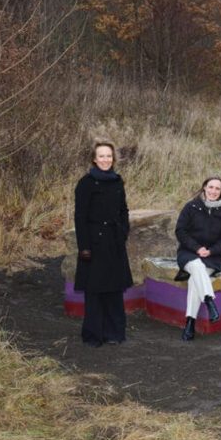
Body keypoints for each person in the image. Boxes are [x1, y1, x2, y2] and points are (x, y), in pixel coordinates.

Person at [73, 141, 133, 347]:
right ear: (94, 159)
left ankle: (114, 333)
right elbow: (79, 217)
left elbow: (124, 209)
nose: (106, 160)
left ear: (113, 158)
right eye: (102, 156)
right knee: (95, 290)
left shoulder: (118, 181)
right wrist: (84, 247)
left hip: (115, 241)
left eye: (109, 156)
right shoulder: (86, 183)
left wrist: (123, 230)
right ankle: (93, 336)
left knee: (115, 289)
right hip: (94, 243)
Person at [174, 176, 221, 341]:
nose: (213, 191)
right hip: (188, 253)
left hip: (211, 256)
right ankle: (209, 300)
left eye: (217, 188)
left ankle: (190, 322)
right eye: (211, 187)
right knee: (197, 268)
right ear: (204, 188)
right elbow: (180, 231)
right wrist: (196, 248)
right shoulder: (191, 206)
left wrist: (211, 250)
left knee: (195, 279)